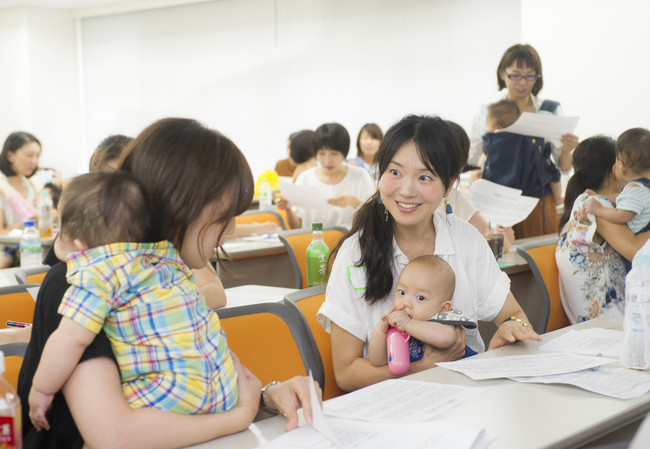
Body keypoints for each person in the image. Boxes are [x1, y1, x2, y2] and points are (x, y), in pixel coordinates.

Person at [18, 118, 319, 449]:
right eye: (223, 218)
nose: (230, 230)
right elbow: (116, 435)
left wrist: (267, 397)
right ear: (181, 207)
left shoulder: (163, 270)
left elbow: (191, 387)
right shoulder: (83, 277)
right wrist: (240, 415)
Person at [318, 115, 541, 393]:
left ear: (448, 186)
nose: (407, 190)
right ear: (380, 174)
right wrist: (418, 368)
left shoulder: (465, 239)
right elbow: (347, 373)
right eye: (395, 172)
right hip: (390, 404)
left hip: (467, 397)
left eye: (424, 177)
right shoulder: (356, 254)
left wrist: (513, 329)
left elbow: (514, 315)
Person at [28, 171, 239, 431]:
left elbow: (70, 339)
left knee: (106, 427)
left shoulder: (96, 274)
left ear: (80, 244)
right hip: (224, 387)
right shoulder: (166, 256)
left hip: (171, 396)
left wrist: (40, 389)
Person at [468, 44, 579, 238]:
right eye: (516, 75)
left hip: (538, 204)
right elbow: (472, 156)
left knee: (538, 259)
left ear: (537, 77)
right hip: (496, 204)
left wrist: (567, 150)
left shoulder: (548, 110)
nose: (522, 82)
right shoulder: (487, 113)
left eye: (530, 76)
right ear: (502, 74)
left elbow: (562, 168)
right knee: (499, 258)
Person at [368, 255, 476, 368]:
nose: (406, 303)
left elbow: (447, 339)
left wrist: (407, 324)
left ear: (443, 308)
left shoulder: (441, 321)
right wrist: (380, 330)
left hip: (466, 375)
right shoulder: (398, 327)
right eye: (402, 292)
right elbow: (378, 361)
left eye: (420, 298)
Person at [277, 122, 374, 229]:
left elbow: (374, 219)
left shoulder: (360, 176)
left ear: (344, 153)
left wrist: (354, 202)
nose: (327, 160)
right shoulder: (305, 178)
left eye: (334, 154)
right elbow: (297, 227)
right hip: (313, 244)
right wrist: (288, 210)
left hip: (350, 244)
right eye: (322, 154)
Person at [443, 120, 514, 252]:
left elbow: (492, 237)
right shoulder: (453, 196)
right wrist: (505, 237)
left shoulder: (453, 196)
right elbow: (499, 243)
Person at [483, 99, 563, 206]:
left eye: (487, 124)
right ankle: (558, 198)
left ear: (498, 128)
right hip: (531, 190)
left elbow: (484, 157)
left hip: (501, 191)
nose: (485, 128)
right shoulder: (526, 136)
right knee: (553, 173)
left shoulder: (490, 141)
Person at [586, 128, 650, 235]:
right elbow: (620, 197)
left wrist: (598, 210)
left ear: (621, 166)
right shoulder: (642, 188)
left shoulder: (633, 190)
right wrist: (600, 197)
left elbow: (621, 216)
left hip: (640, 247)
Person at [0, 131, 42, 267]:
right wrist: (25, 226)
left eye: (37, 155)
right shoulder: (2, 186)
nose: (34, 161)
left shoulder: (33, 185)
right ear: (10, 155)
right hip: (7, 251)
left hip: (32, 248)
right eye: (29, 155)